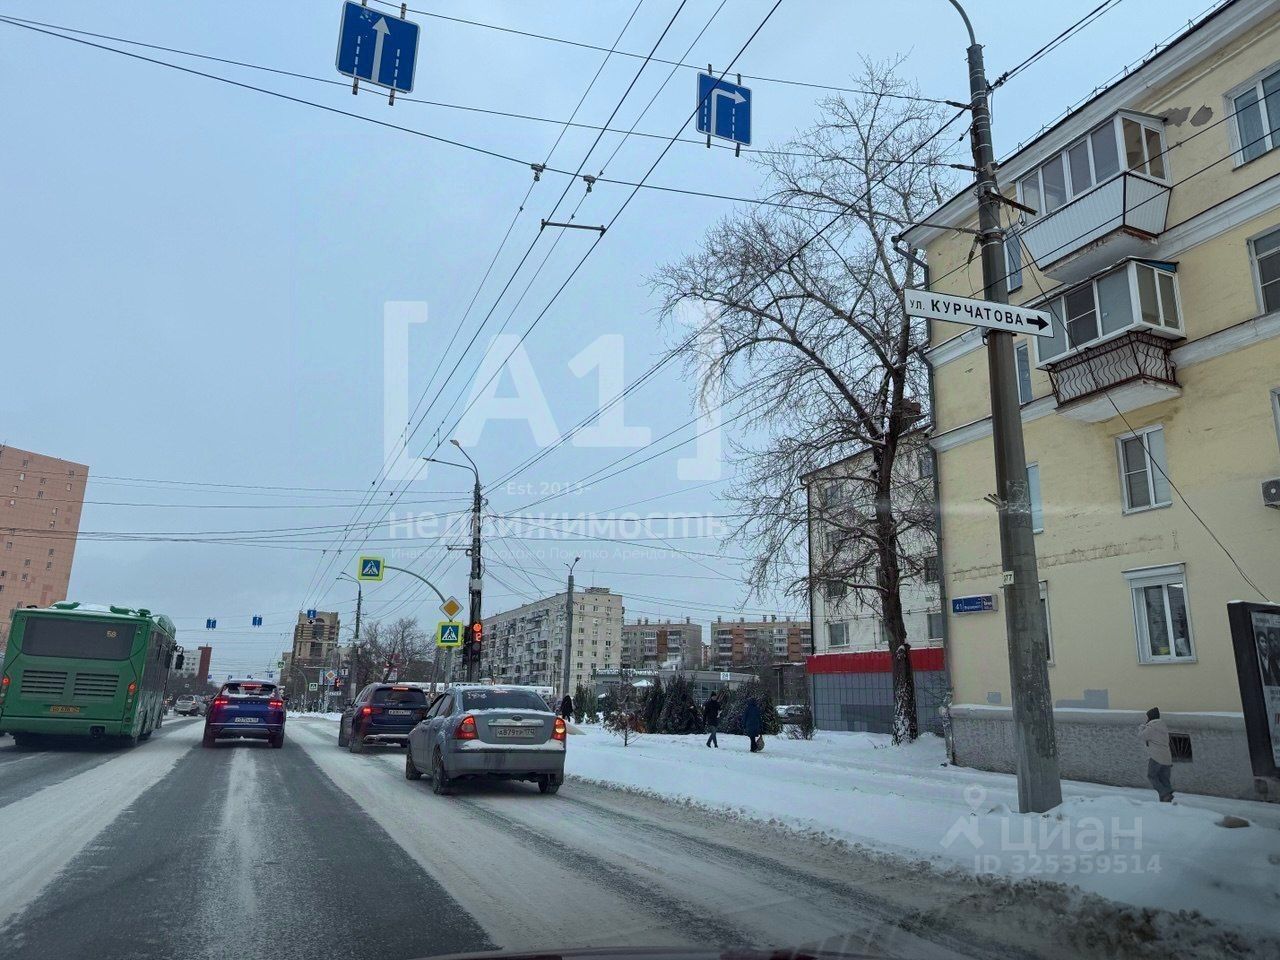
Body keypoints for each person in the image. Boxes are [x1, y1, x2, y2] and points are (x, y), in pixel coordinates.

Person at [1139, 706, 1174, 802]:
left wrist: (1141, 728)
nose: (1147, 719)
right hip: (1167, 758)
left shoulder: (1152, 727)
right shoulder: (1163, 726)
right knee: (1164, 778)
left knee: (1151, 776)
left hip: (1156, 757)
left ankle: (1164, 794)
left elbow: (1142, 736)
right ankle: (1167, 798)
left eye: (1148, 717)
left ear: (1151, 717)